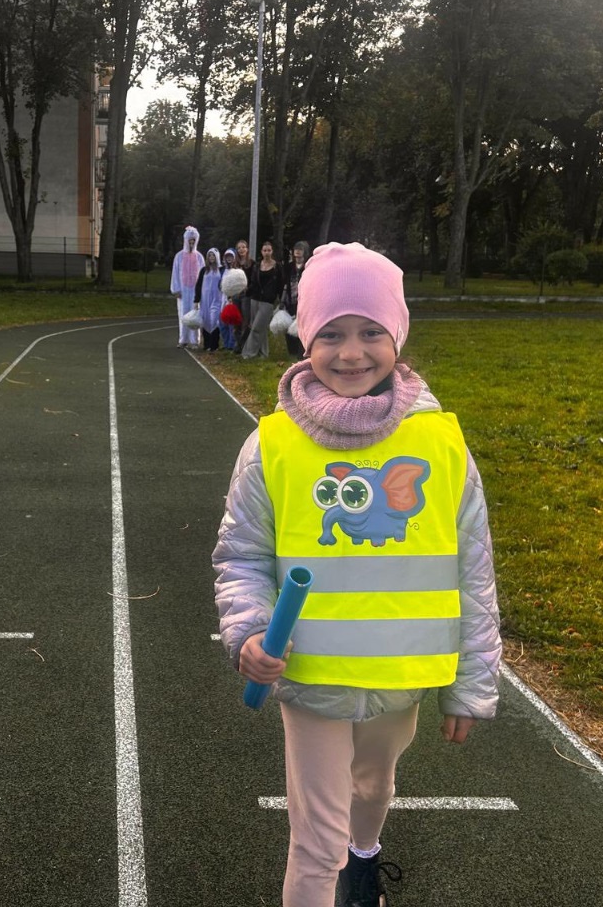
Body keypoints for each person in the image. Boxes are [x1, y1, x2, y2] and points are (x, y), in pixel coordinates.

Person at [213, 242, 501, 907]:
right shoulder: (272, 446)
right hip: (310, 678)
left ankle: (364, 858)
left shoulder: (441, 446)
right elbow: (242, 556)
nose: (350, 353)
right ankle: (337, 868)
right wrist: (250, 632)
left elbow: (474, 568)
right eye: (331, 334)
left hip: (401, 680)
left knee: (372, 789)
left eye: (371, 332)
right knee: (316, 842)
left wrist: (471, 684)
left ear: (397, 335)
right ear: (304, 338)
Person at [241, 240, 284, 360]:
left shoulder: (277, 267)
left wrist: (280, 300)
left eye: (269, 250)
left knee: (256, 328)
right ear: (261, 252)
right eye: (265, 250)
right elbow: (253, 282)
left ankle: (248, 353)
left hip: (268, 301)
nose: (267, 253)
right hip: (255, 299)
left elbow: (281, 284)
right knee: (261, 328)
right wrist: (247, 291)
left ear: (272, 251)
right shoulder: (257, 266)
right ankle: (264, 353)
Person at [171, 225, 203, 348]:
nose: (191, 243)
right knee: (183, 314)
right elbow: (175, 273)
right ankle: (183, 339)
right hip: (183, 291)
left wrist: (201, 291)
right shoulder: (179, 256)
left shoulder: (199, 257)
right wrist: (176, 289)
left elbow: (202, 274)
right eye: (189, 241)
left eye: (193, 241)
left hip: (195, 291)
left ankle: (194, 340)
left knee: (195, 314)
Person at [282, 241, 310, 360]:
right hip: (290, 299)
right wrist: (283, 300)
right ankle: (292, 351)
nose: (297, 252)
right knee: (289, 325)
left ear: (305, 252)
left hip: (304, 300)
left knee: (302, 326)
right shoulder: (289, 267)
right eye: (296, 249)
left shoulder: (308, 266)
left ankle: (301, 352)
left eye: (300, 249)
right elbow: (285, 284)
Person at [195, 246, 226, 352]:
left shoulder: (221, 270)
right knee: (206, 320)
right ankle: (207, 344)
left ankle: (214, 345)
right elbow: (198, 285)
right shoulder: (204, 270)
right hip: (205, 300)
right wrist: (196, 300)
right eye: (210, 255)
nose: (211, 257)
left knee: (214, 320)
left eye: (213, 255)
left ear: (217, 257)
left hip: (217, 299)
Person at [232, 239, 254, 352]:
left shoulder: (252, 263)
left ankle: (244, 344)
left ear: (247, 249)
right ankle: (238, 343)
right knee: (236, 320)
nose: (241, 250)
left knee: (246, 320)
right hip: (236, 295)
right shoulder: (234, 264)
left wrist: (247, 288)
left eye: (243, 247)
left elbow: (254, 280)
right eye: (239, 248)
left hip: (246, 295)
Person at [220, 249, 240, 350]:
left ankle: (231, 344)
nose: (229, 259)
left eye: (231, 256)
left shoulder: (237, 270)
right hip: (223, 299)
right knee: (223, 323)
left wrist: (231, 296)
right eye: (227, 256)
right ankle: (226, 343)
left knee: (231, 323)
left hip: (232, 299)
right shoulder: (222, 270)